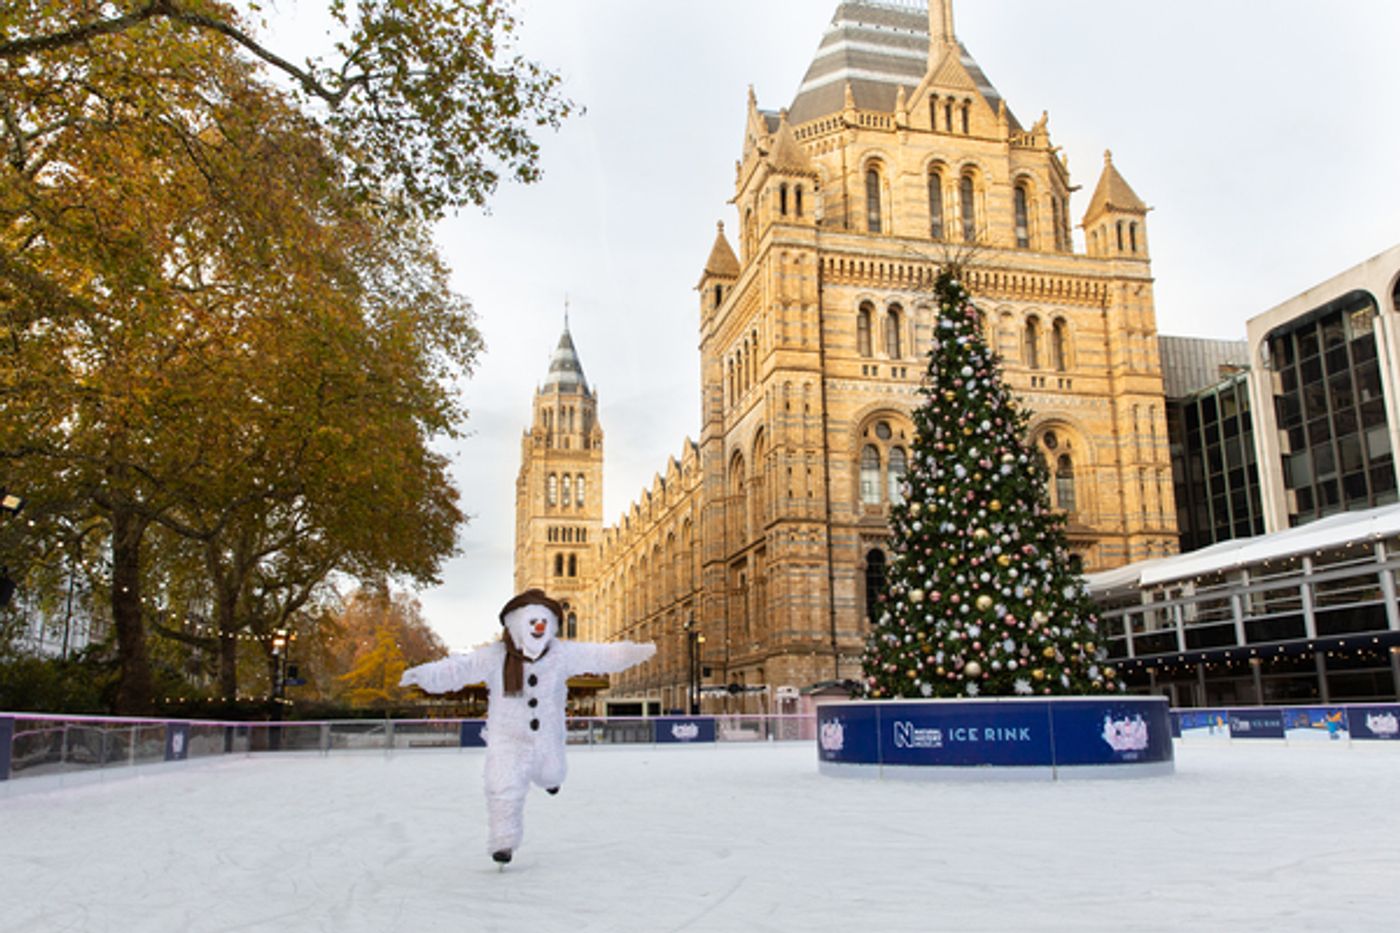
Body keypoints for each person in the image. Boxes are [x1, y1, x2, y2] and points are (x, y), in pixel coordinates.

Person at [400, 589, 655, 865]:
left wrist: (634, 652)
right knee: (502, 785)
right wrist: (423, 675)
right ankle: (503, 841)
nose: (539, 628)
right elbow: (459, 668)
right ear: (517, 624)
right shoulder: (496, 656)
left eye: (543, 622)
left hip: (547, 733)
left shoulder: (561, 654)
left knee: (550, 771)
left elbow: (600, 656)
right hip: (507, 735)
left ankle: (550, 780)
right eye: (532, 622)